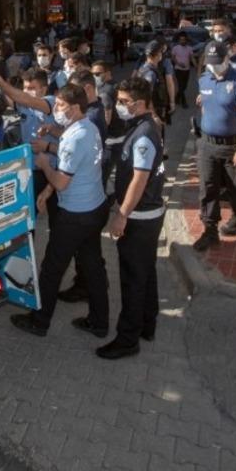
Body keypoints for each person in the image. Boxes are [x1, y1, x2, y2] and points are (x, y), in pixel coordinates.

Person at [11, 84, 109, 338]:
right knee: (93, 267)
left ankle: (39, 321)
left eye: (61, 106)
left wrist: (44, 164)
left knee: (52, 269)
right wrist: (49, 144)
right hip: (95, 208)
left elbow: (61, 181)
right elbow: (73, 156)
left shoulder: (74, 137)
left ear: (76, 108)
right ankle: (99, 322)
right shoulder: (88, 128)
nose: (55, 109)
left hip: (75, 215)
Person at [97, 77, 166, 359]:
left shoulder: (144, 133)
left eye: (124, 102)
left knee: (133, 279)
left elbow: (139, 179)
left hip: (140, 217)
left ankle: (127, 339)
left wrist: (121, 215)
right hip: (147, 214)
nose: (119, 107)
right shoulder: (141, 126)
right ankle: (147, 325)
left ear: (140, 104)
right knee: (145, 273)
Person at [191, 41, 236, 251]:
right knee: (207, 188)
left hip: (233, 146)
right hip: (208, 144)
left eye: (218, 62)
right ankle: (209, 231)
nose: (215, 66)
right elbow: (206, 107)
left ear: (227, 59)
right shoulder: (204, 80)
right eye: (211, 63)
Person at [135, 41, 175, 124]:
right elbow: (147, 96)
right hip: (153, 110)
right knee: (157, 134)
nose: (161, 54)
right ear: (152, 55)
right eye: (159, 52)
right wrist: (154, 115)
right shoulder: (150, 73)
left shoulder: (144, 68)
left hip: (151, 108)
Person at [169, 34, 193, 108]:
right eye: (181, 39)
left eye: (184, 39)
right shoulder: (175, 48)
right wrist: (178, 64)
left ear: (186, 40)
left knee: (184, 86)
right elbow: (172, 58)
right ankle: (184, 102)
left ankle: (177, 98)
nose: (183, 41)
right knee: (181, 85)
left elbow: (192, 58)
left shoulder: (189, 48)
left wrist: (197, 65)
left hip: (187, 70)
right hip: (178, 69)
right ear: (179, 40)